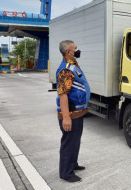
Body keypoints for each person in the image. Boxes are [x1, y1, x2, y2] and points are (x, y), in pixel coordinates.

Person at [56, 40, 90, 182]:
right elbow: (63, 95)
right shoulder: (65, 70)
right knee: (69, 142)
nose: (78, 50)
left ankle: (73, 164)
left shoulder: (73, 65)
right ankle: (66, 173)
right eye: (75, 48)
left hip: (78, 112)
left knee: (75, 141)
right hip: (70, 113)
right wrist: (66, 118)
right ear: (69, 52)